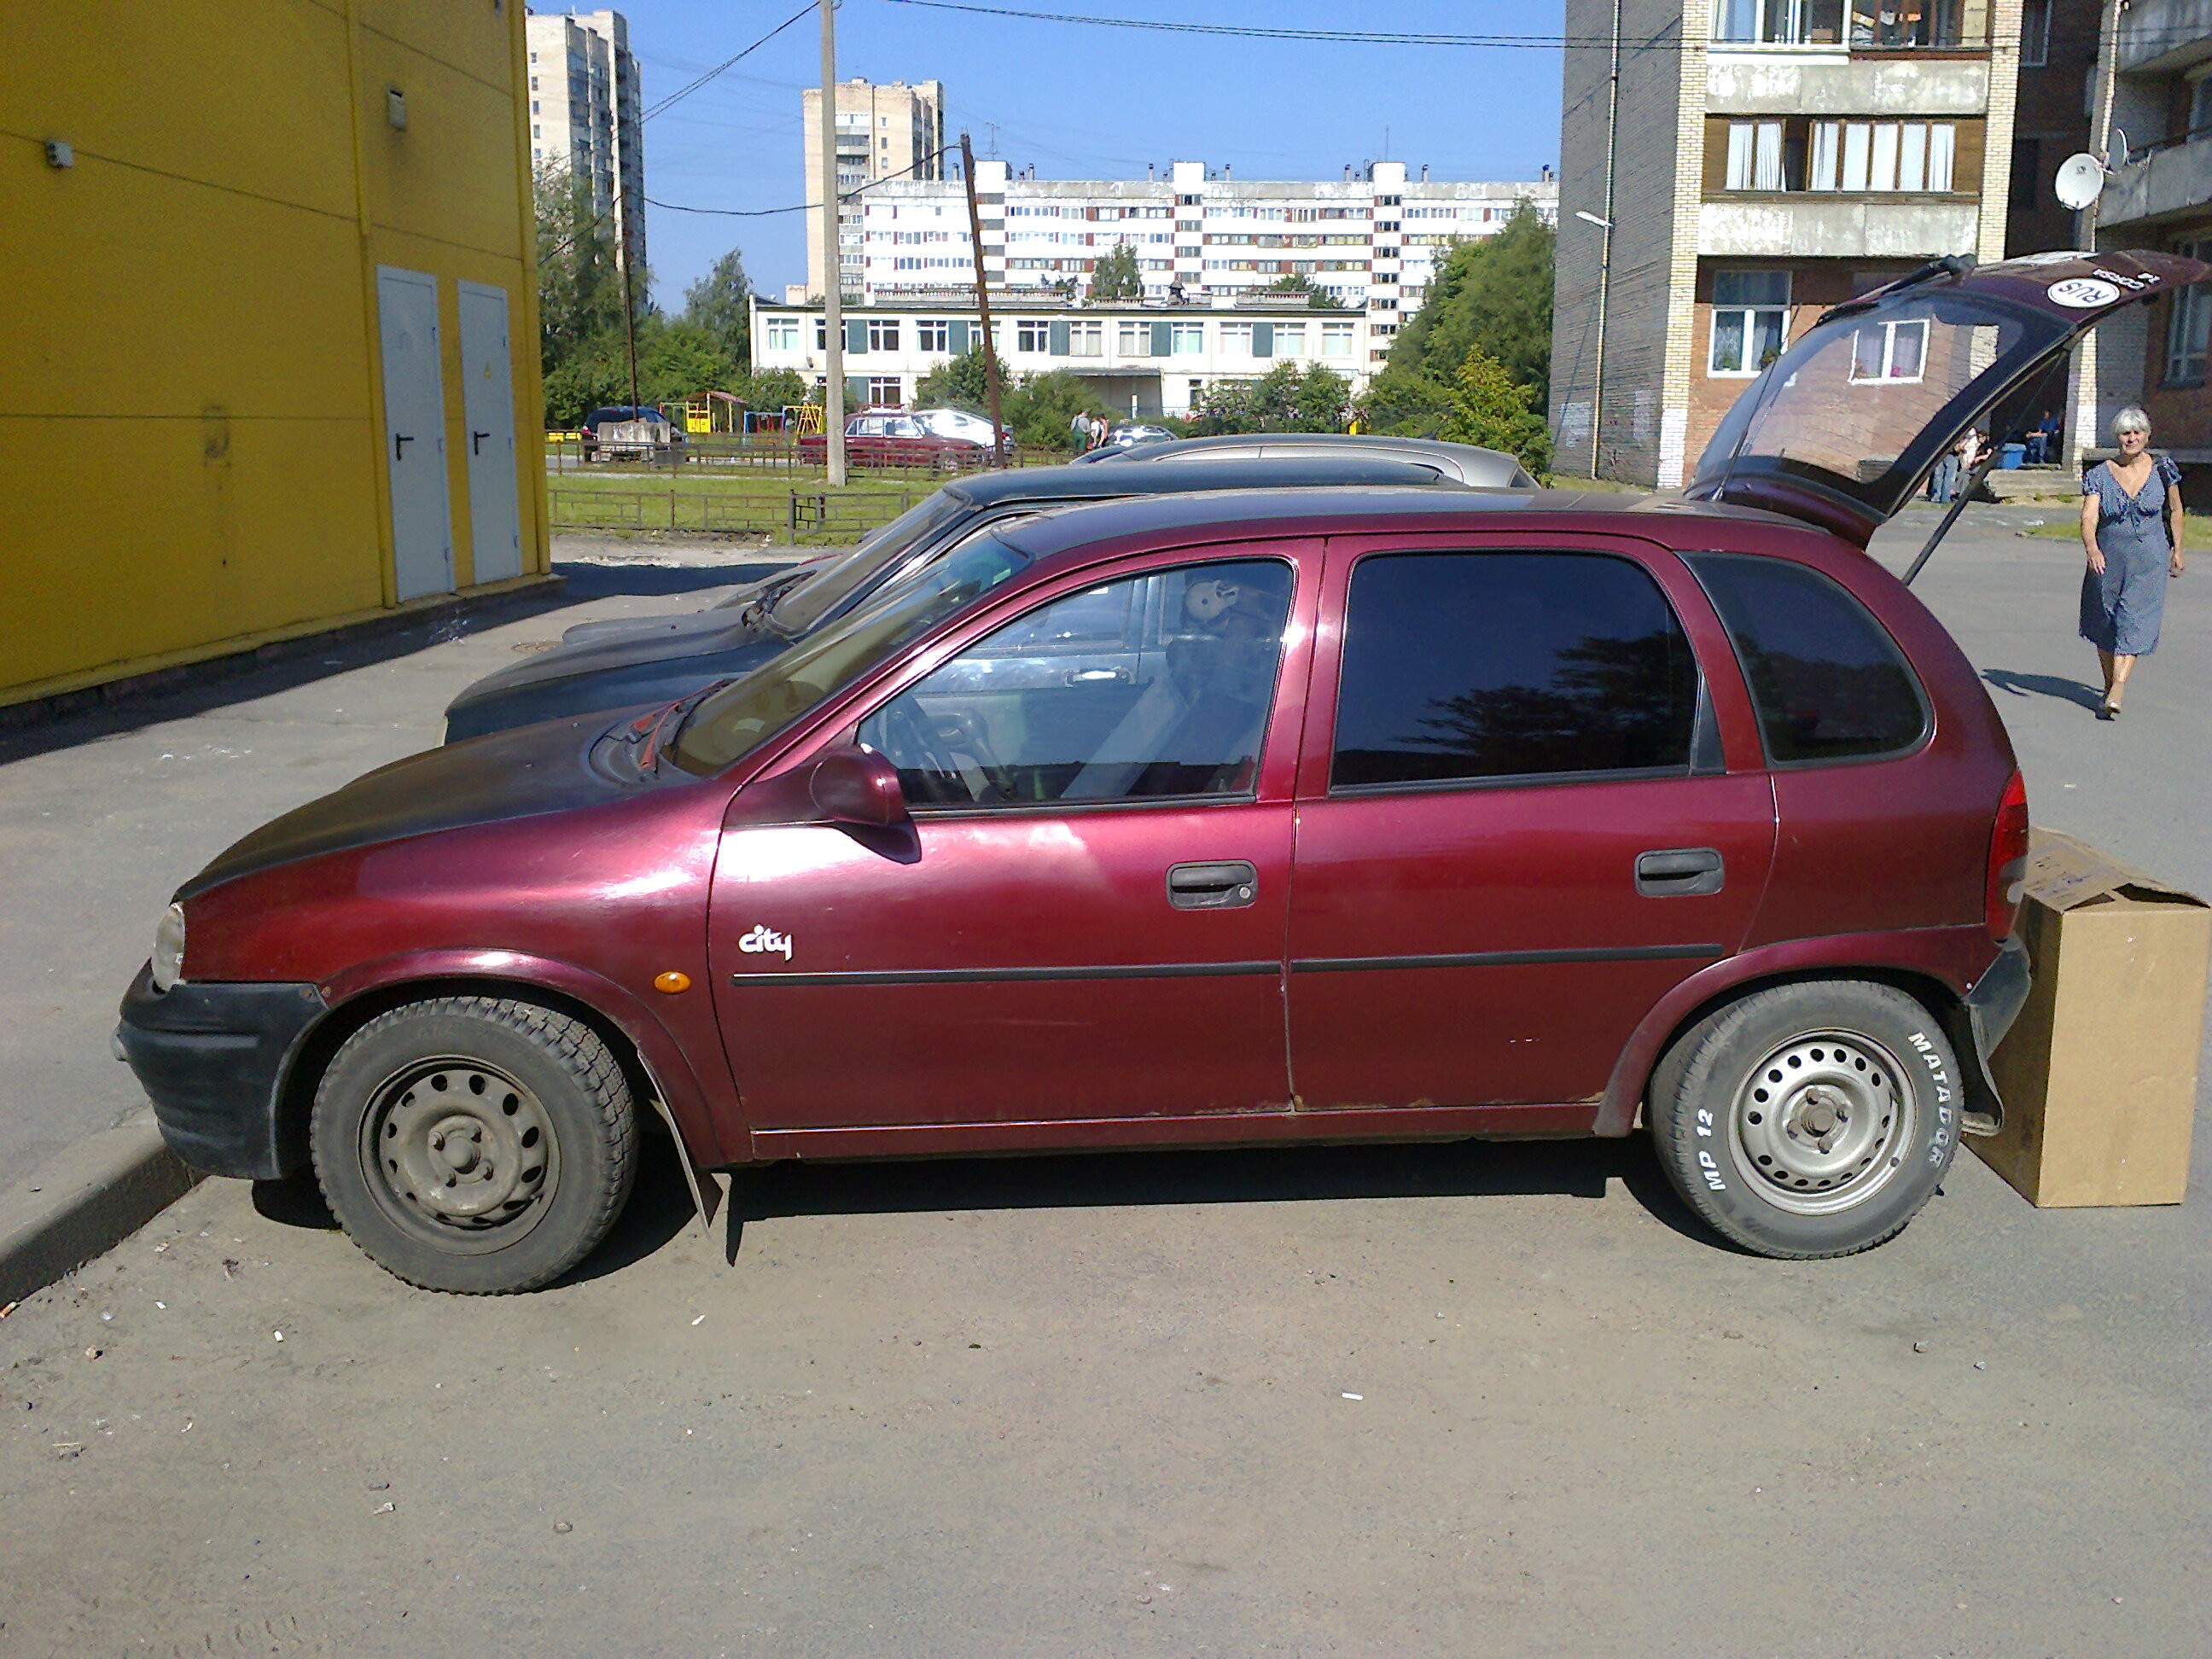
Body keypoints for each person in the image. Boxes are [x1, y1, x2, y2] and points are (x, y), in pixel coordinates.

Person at [2080, 405, 2186, 719]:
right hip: (2108, 558)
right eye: (2126, 433)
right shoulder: (2099, 475)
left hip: (2150, 557)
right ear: (2118, 437)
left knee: (2135, 619)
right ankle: (2110, 683)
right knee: (2104, 621)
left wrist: (2177, 549)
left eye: (2137, 432)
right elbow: (2088, 517)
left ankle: (2119, 686)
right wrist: (2092, 548)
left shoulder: (2163, 469)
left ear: (2147, 436)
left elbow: (2177, 510)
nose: (2132, 438)